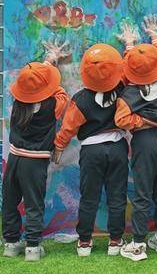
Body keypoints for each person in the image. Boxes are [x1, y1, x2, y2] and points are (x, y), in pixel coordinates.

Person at [54, 43, 128, 257]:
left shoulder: (80, 99)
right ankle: (115, 241)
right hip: (117, 149)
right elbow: (131, 71)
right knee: (117, 197)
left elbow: (68, 127)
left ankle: (84, 242)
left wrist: (59, 146)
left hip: (91, 152)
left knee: (89, 197)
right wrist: (129, 46)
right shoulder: (122, 89)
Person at [3, 38, 70, 261]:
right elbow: (59, 92)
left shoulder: (17, 103)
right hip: (35, 163)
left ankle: (11, 243)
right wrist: (51, 63)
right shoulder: (54, 104)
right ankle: (32, 247)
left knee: (10, 202)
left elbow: (30, 85)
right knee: (34, 204)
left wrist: (46, 62)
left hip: (14, 158)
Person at [112, 17, 157, 261]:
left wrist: (129, 44)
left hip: (144, 141)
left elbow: (121, 120)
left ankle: (137, 244)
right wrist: (155, 36)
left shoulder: (128, 93)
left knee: (143, 191)